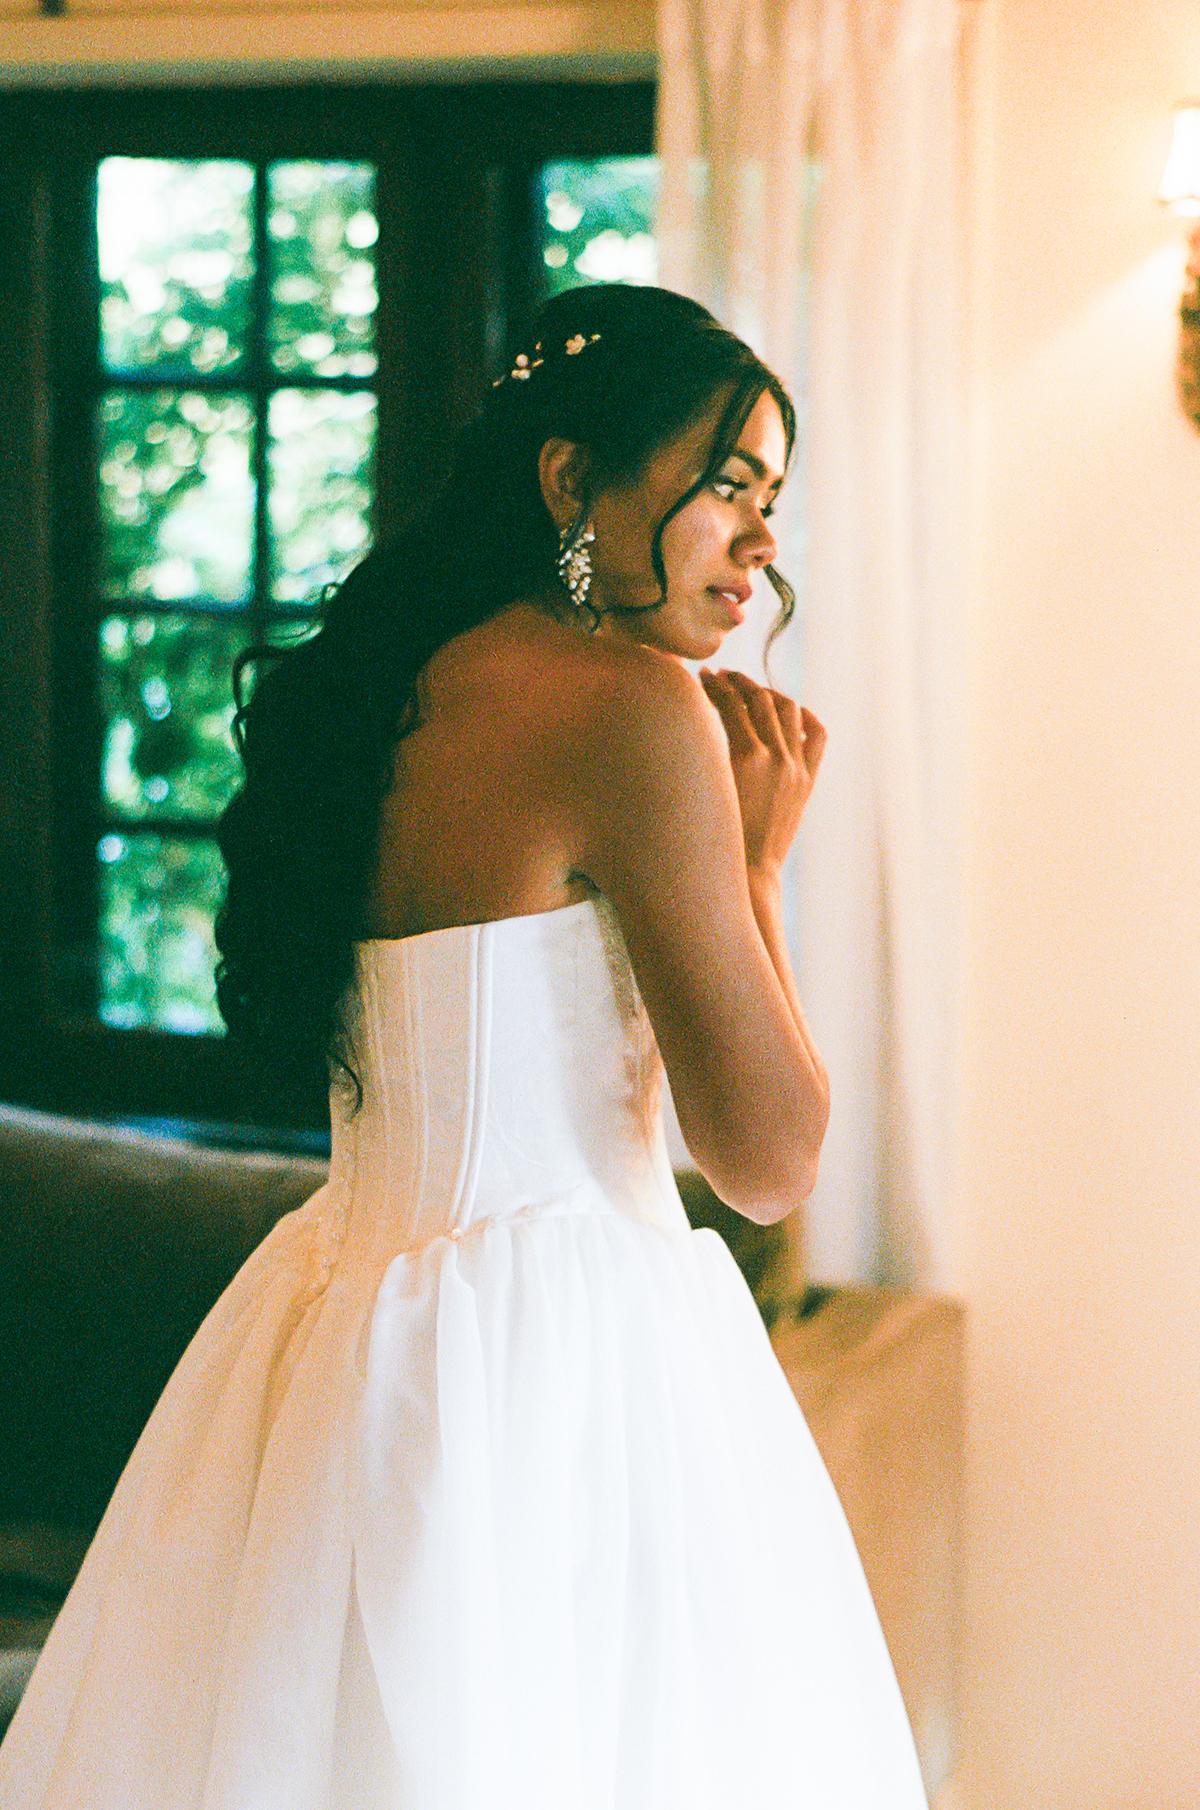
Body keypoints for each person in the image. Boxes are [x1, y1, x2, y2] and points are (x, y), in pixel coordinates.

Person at [0, 282, 930, 1807]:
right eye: (725, 489)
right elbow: (768, 1156)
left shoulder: (379, 691)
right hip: (562, 1366)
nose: (764, 543)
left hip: (334, 1341)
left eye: (775, 498)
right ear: (572, 480)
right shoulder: (637, 708)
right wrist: (758, 869)